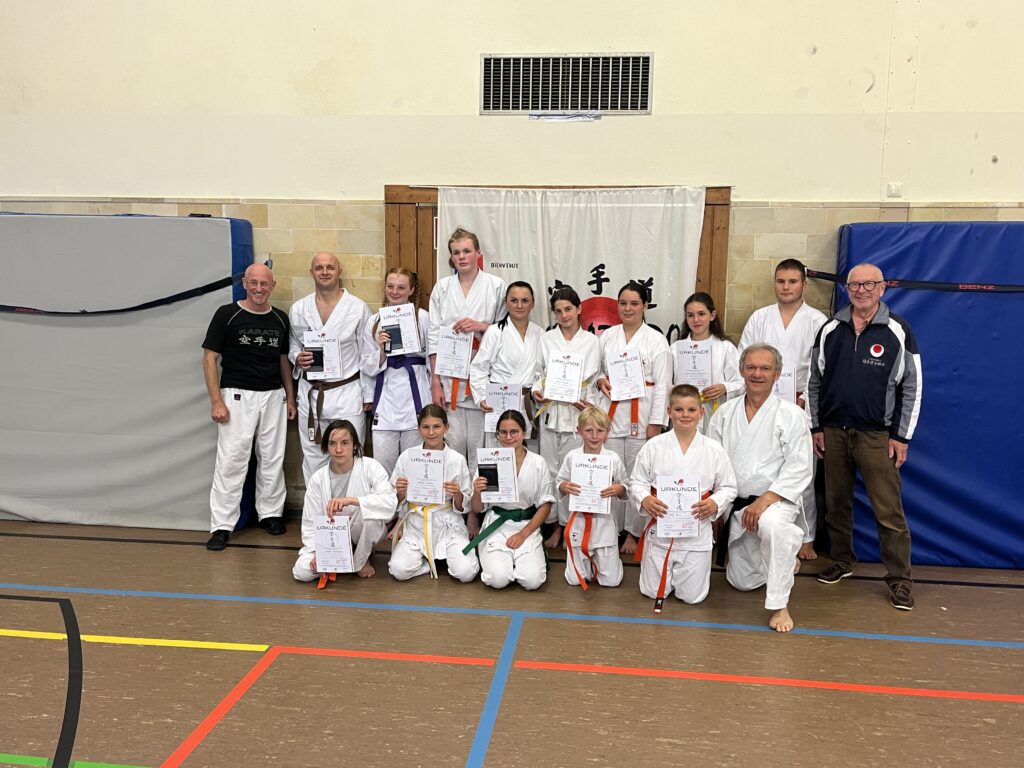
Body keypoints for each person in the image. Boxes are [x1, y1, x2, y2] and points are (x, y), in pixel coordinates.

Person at [808, 263, 922, 611]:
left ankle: (900, 579)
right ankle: (842, 560)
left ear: (882, 288)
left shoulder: (897, 330)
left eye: (869, 284)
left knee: (889, 512)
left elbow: (913, 387)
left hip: (877, 436)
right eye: (855, 285)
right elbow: (814, 381)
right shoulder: (830, 329)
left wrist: (901, 436)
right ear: (847, 289)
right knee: (836, 505)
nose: (861, 290)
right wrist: (816, 427)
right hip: (834, 433)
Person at [708, 344, 812, 632]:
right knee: (742, 582)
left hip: (776, 501)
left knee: (775, 528)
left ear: (777, 374)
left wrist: (765, 500)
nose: (757, 374)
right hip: (736, 503)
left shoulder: (791, 414)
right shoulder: (725, 413)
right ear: (741, 371)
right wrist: (717, 504)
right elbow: (712, 462)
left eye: (765, 368)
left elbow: (800, 466)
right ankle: (784, 559)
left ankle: (780, 605)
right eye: (751, 367)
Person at [202, 263, 296, 552]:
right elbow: (209, 358)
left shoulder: (280, 319)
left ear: (272, 286)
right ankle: (221, 525)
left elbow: (284, 360)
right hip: (237, 394)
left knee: (272, 457)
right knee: (232, 460)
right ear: (244, 283)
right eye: (253, 283)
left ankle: (270, 513)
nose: (258, 288)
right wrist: (216, 401)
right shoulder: (227, 314)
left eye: (264, 284)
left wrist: (290, 397)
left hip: (273, 395)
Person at [740, 258, 827, 560]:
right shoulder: (760, 318)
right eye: (781, 281)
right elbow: (745, 358)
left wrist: (805, 401)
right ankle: (757, 528)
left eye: (792, 281)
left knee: (802, 472)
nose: (786, 287)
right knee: (765, 469)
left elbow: (821, 368)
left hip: (799, 403)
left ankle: (807, 536)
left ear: (804, 284)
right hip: (761, 402)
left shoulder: (816, 321)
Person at [631, 385, 737, 610]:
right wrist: (645, 499)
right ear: (669, 412)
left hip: (695, 534)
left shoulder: (714, 449)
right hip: (661, 532)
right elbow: (637, 481)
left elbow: (728, 486)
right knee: (651, 592)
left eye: (691, 410)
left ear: (701, 412)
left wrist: (714, 503)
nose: (685, 415)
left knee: (692, 597)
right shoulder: (654, 446)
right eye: (679, 409)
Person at [596, 281, 671, 555]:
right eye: (623, 303)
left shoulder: (656, 340)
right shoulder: (607, 336)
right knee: (613, 473)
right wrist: (600, 380)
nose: (628, 309)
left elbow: (663, 384)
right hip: (612, 414)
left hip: (644, 415)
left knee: (639, 475)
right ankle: (611, 528)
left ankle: (633, 532)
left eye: (634, 304)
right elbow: (596, 371)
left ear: (645, 306)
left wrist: (656, 423)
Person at [428, 228, 507, 474]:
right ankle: (454, 496)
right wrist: (435, 382)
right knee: (452, 449)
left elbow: (506, 331)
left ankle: (477, 498)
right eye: (456, 253)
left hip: (483, 380)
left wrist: (482, 326)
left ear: (478, 253)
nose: (461, 257)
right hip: (450, 379)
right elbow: (433, 336)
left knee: (481, 450)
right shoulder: (442, 288)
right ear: (451, 257)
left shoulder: (496, 286)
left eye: (466, 251)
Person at [289, 252, 372, 484]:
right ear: (311, 272)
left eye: (330, 267)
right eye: (319, 268)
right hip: (311, 393)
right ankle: (317, 505)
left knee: (349, 456)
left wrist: (369, 394)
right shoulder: (299, 308)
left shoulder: (357, 308)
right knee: (313, 457)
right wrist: (297, 358)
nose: (325, 272)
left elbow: (367, 353)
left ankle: (349, 505)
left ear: (339, 271)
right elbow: (293, 344)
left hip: (346, 393)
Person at [531, 286, 601, 547]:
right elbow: (538, 372)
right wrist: (537, 391)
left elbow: (596, 377)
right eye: (558, 311)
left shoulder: (592, 341)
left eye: (568, 309)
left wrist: (588, 402)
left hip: (577, 413)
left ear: (579, 308)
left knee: (574, 471)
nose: (564, 315)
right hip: (551, 411)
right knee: (550, 471)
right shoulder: (547, 339)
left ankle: (571, 524)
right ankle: (553, 526)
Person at [292, 420, 397, 582]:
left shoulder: (371, 467)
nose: (338, 449)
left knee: (369, 518)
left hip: (361, 531)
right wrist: (319, 552)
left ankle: (360, 560)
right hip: (331, 539)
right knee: (302, 571)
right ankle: (338, 559)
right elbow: (310, 521)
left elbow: (389, 502)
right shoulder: (318, 479)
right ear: (326, 447)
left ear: (354, 445)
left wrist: (353, 501)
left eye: (345, 443)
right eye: (332, 443)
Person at [388, 405, 480, 583]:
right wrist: (400, 492)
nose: (431, 432)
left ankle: (443, 556)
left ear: (446, 427)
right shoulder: (407, 457)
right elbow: (393, 500)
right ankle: (428, 562)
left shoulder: (457, 459)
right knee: (398, 570)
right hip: (416, 524)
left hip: (447, 522)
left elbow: (465, 504)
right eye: (426, 427)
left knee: (466, 573)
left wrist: (457, 494)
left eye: (436, 426)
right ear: (419, 428)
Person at [465, 410, 555, 590]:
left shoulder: (538, 462)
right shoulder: (488, 461)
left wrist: (523, 534)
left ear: (524, 433)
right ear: (497, 434)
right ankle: (505, 564)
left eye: (514, 432)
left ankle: (519, 563)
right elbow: (476, 508)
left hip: (527, 525)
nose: (508, 437)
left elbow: (545, 505)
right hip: (496, 523)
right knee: (497, 580)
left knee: (532, 581)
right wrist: (477, 492)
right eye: (503, 432)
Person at [361, 267, 431, 476]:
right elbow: (366, 365)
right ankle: (385, 499)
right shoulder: (374, 322)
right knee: (383, 469)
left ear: (411, 290)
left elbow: (433, 359)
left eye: (401, 287)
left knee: (415, 466)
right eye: (390, 286)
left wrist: (435, 392)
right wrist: (382, 351)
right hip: (386, 403)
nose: (395, 291)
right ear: (384, 288)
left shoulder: (423, 318)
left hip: (415, 397)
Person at [555, 407, 627, 589]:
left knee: (610, 582)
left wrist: (619, 488)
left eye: (600, 431)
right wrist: (564, 486)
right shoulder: (572, 457)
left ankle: (608, 564)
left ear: (607, 432)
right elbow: (559, 481)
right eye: (588, 430)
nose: (594, 436)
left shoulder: (613, 458)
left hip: (604, 524)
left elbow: (626, 486)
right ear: (579, 431)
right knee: (574, 580)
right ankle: (588, 566)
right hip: (578, 522)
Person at [671, 292, 743, 433]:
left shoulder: (725, 347)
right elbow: (666, 383)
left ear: (712, 315)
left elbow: (742, 383)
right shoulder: (675, 348)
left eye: (701, 314)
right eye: (690, 315)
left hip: (715, 412)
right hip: (683, 414)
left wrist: (724, 388)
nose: (696, 320)